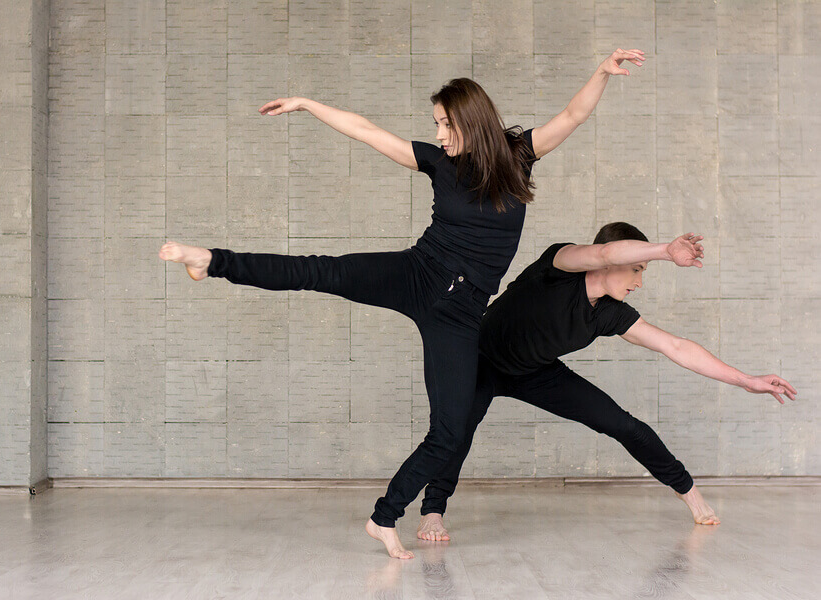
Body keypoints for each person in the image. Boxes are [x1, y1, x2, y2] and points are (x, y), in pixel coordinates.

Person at [160, 49, 647, 559]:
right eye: (435, 124)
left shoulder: (518, 154)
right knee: (317, 269)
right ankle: (211, 260)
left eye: (444, 124)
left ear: (470, 120)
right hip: (417, 274)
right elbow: (368, 131)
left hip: (460, 314)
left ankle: (384, 517)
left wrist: (600, 73)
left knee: (451, 430)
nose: (437, 134)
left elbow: (572, 115)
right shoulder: (438, 162)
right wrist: (307, 103)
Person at [416, 223, 797, 541]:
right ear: (617, 259)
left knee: (622, 424)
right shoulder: (558, 266)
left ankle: (689, 492)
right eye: (637, 269)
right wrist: (665, 250)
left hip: (535, 371)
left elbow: (676, 347)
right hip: (480, 359)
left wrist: (745, 380)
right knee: (458, 429)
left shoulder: (611, 314)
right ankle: (432, 513)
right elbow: (601, 255)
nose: (639, 282)